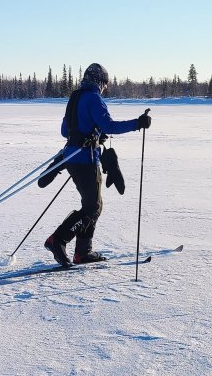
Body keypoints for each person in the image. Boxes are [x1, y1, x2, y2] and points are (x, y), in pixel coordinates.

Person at [44, 63, 151, 266]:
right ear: (99, 82)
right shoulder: (94, 98)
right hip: (85, 159)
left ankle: (83, 252)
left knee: (93, 206)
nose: (105, 88)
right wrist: (138, 123)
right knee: (92, 207)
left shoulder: (75, 97)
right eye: (105, 84)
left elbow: (65, 131)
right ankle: (58, 240)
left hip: (71, 157)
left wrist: (91, 132)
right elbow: (109, 126)